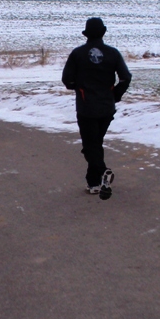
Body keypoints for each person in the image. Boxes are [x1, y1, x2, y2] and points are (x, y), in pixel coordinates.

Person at [61, 17, 131, 200]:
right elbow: (125, 77)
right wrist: (114, 95)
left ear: (86, 34)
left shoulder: (78, 54)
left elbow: (66, 80)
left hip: (86, 107)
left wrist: (78, 87)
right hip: (106, 107)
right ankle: (93, 183)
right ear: (103, 32)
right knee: (95, 144)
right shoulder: (113, 53)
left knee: (89, 146)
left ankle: (103, 172)